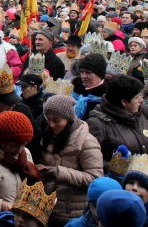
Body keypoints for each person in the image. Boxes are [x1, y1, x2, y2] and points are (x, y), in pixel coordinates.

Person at [38, 95, 103, 225]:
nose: (51, 124)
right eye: (48, 120)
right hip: (48, 208)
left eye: (56, 120)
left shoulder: (87, 142)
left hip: (72, 213)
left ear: (69, 119)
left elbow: (95, 178)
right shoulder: (51, 136)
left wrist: (59, 173)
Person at [87, 74, 148, 166]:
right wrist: (121, 168)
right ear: (124, 102)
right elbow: (91, 162)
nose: (141, 100)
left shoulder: (142, 111)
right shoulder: (97, 124)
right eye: (136, 97)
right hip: (122, 179)